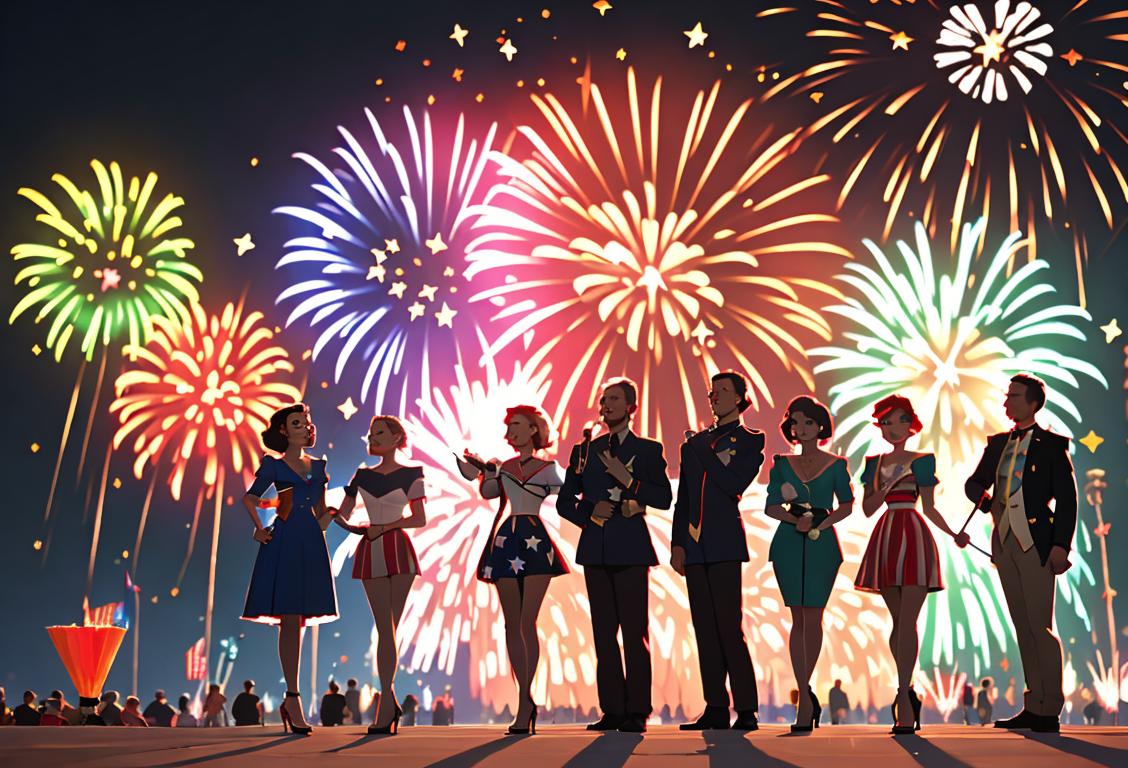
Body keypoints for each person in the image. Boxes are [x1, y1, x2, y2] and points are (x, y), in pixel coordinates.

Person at [558, 378, 673, 734]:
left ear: (631, 407)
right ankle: (612, 709)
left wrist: (630, 485)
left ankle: (638, 710)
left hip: (632, 550)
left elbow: (664, 497)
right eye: (604, 399)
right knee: (603, 634)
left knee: (635, 633)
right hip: (595, 549)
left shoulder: (649, 449)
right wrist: (590, 514)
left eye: (615, 399)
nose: (606, 404)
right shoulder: (584, 451)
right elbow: (565, 502)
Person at [965, 374, 1078, 734]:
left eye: (1013, 396)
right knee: (1022, 626)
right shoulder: (997, 444)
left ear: (1032, 403)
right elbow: (975, 482)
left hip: (1037, 541)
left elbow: (1068, 500)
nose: (1006, 402)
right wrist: (981, 498)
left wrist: (1061, 545)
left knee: (1040, 626)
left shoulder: (1052, 445)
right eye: (1007, 395)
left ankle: (1051, 707)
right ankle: (1034, 703)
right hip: (1004, 541)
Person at [854, 395, 968, 734]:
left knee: (907, 621)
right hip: (887, 534)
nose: (892, 428)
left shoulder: (922, 461)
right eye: (886, 423)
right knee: (898, 621)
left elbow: (930, 508)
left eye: (898, 421)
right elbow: (868, 509)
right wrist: (889, 482)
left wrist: (953, 532)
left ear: (910, 424)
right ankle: (906, 690)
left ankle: (903, 696)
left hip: (914, 534)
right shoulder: (873, 463)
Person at [458, 404, 568, 735]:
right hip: (508, 541)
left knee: (526, 621)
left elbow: (567, 489)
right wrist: (485, 471)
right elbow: (489, 492)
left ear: (534, 429)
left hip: (534, 539)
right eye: (510, 426)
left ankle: (525, 700)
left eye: (518, 425)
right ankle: (525, 697)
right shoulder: (503, 467)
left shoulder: (548, 468)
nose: (513, 431)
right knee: (511, 624)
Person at [670, 371, 765, 731]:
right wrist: (677, 543)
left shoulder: (750, 440)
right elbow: (684, 500)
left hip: (725, 542)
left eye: (724, 391)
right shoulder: (695, 444)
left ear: (741, 398)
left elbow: (732, 484)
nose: (715, 396)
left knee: (729, 626)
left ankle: (746, 707)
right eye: (713, 391)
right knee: (704, 629)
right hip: (694, 545)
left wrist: (699, 449)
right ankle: (714, 706)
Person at [242, 403, 340, 736]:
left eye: (306, 422)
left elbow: (322, 518)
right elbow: (250, 498)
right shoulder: (275, 466)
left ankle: (292, 699)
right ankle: (293, 696)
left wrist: (345, 509)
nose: (305, 427)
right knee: (289, 620)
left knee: (297, 619)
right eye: (297, 423)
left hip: (311, 542)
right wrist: (258, 528)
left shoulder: (319, 467)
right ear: (284, 431)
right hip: (283, 541)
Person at [332, 415, 427, 736]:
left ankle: (387, 702)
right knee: (384, 629)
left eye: (379, 433)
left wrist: (382, 528)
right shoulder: (361, 476)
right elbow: (343, 516)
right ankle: (388, 701)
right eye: (371, 433)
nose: (371, 438)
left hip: (395, 548)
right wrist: (335, 514)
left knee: (389, 630)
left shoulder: (412, 473)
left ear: (397, 437)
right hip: (372, 550)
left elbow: (419, 518)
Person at [764, 395, 854, 733]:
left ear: (820, 427)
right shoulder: (782, 464)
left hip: (822, 546)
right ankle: (804, 693)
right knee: (796, 617)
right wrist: (794, 521)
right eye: (796, 423)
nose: (800, 429)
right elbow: (771, 505)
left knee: (813, 615)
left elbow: (846, 505)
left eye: (807, 423)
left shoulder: (836, 465)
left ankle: (805, 695)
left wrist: (820, 524)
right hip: (788, 544)